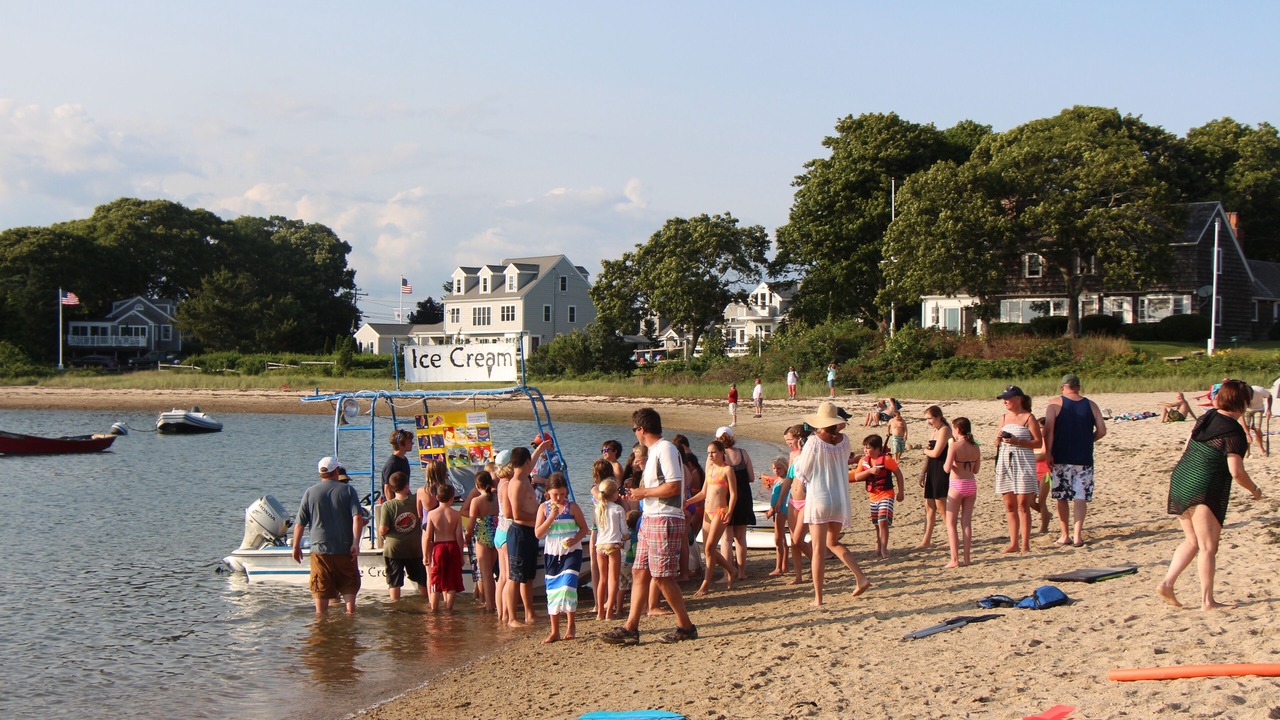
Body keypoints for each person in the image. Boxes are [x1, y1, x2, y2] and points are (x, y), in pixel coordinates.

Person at [1158, 379, 1263, 611]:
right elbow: (1236, 472)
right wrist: (1254, 490)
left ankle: (1167, 584)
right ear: (1243, 403)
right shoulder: (1234, 431)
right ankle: (1208, 601)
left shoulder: (1208, 417)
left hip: (1181, 479)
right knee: (1208, 547)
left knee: (1193, 541)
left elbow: (1188, 446)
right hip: (1202, 487)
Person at [601, 407, 697, 645]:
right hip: (652, 517)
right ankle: (631, 627)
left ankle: (686, 626)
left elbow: (674, 486)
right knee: (639, 571)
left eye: (634, 429)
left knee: (662, 576)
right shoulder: (656, 451)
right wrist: (642, 494)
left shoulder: (665, 448)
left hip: (664, 517)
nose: (634, 433)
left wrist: (643, 492)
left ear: (641, 429)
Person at [792, 402, 871, 606]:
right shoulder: (844, 441)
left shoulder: (813, 442)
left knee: (818, 549)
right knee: (832, 542)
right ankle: (860, 577)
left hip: (819, 496)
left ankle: (818, 598)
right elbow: (843, 463)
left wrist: (799, 457)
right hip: (839, 497)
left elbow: (803, 472)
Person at [292, 456, 366, 614]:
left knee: (320, 595)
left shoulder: (310, 492)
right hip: (345, 550)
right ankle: (350, 630)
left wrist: (296, 546)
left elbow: (299, 524)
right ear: (336, 471)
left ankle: (321, 632)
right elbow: (358, 517)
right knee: (349, 590)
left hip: (320, 551)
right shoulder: (347, 490)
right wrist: (355, 543)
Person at [1044, 374, 1108, 548]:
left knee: (1062, 497)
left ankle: (1065, 534)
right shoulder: (1091, 405)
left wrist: (1048, 452)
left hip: (1061, 456)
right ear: (1078, 387)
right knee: (1081, 497)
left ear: (1063, 387)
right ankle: (1078, 535)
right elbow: (1102, 430)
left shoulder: (1055, 404)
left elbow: (1048, 430)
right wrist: (1089, 440)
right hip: (1084, 456)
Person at [535, 473, 588, 643]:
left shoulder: (572, 507)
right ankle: (555, 631)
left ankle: (571, 625)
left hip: (572, 552)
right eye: (555, 494)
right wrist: (551, 516)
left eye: (562, 494)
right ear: (548, 492)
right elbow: (538, 533)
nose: (559, 497)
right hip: (552, 552)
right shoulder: (543, 508)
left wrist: (576, 539)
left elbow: (584, 529)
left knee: (567, 587)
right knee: (552, 592)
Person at [684, 440, 738, 596]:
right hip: (708, 511)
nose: (711, 455)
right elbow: (703, 493)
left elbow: (734, 493)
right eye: (708, 453)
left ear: (722, 452)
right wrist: (687, 502)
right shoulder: (710, 470)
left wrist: (730, 511)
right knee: (709, 550)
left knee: (709, 548)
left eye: (713, 452)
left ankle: (705, 584)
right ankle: (731, 569)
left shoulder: (727, 470)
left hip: (720, 511)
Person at [994, 386, 1043, 555]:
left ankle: (1025, 544)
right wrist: (1000, 438)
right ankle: (1013, 542)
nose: (1005, 402)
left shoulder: (1029, 417)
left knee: (1023, 504)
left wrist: (1018, 442)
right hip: (1006, 461)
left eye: (1007, 399)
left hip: (1023, 462)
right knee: (1009, 504)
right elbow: (996, 442)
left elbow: (1038, 443)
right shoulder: (1004, 417)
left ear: (1018, 399)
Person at [851, 435, 904, 559]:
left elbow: (898, 474)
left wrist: (901, 492)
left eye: (868, 448)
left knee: (882, 522)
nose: (865, 450)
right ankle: (878, 549)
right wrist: (869, 471)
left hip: (887, 495)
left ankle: (884, 550)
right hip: (873, 497)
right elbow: (857, 476)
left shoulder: (886, 460)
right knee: (876, 524)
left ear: (877, 449)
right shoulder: (863, 461)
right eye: (864, 447)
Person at [503, 446, 540, 627]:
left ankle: (529, 614)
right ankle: (512, 618)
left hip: (530, 533)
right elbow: (516, 514)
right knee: (515, 577)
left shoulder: (525, 477)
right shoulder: (517, 482)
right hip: (520, 532)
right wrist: (540, 517)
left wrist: (541, 448)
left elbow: (532, 460)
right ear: (525, 462)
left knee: (528, 577)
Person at [377, 471, 426, 602]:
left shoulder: (388, 505)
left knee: (394, 581)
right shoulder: (415, 500)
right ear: (407, 486)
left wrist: (384, 534)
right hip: (413, 548)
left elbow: (383, 529)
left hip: (394, 549)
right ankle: (426, 603)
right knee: (421, 579)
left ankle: (395, 607)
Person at [716, 426, 756, 581]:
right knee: (741, 538)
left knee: (726, 538)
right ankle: (741, 572)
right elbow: (751, 477)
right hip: (744, 497)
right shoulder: (742, 453)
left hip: (727, 498)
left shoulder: (719, 456)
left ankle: (728, 573)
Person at [776, 424, 812, 584]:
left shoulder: (809, 453)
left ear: (799, 438)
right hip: (792, 500)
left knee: (798, 539)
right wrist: (779, 500)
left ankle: (818, 562)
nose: (788, 443)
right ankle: (798, 576)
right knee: (793, 541)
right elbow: (788, 479)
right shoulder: (792, 455)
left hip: (807, 500)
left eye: (790, 440)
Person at [943, 418, 980, 569]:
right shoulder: (975, 446)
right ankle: (967, 558)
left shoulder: (955, 446)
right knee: (966, 522)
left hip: (957, 485)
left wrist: (953, 463)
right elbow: (976, 470)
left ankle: (954, 559)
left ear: (957, 429)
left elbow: (946, 468)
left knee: (951, 523)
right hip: (971, 484)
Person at [914, 406, 953, 550]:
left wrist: (924, 450)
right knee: (929, 506)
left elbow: (936, 453)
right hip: (932, 469)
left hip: (941, 470)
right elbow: (929, 456)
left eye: (930, 418)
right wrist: (923, 472)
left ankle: (951, 538)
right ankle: (926, 540)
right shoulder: (934, 431)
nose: (928, 422)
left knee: (941, 506)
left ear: (938, 417)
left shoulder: (945, 430)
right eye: (927, 419)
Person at [594, 479, 629, 621]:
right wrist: (626, 538)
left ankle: (600, 611)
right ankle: (609, 612)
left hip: (600, 546)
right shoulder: (618, 509)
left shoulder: (598, 508)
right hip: (613, 545)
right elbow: (624, 531)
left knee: (602, 579)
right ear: (614, 494)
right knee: (613, 579)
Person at [465, 470, 499, 613]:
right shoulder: (497, 498)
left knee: (485, 574)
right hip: (495, 534)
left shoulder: (476, 501)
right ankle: (496, 603)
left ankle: (490, 605)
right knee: (493, 573)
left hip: (482, 537)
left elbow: (471, 525)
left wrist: (467, 536)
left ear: (477, 485)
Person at [762, 455, 790, 577]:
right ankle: (784, 566)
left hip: (781, 510)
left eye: (779, 468)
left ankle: (779, 567)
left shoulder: (785, 481)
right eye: (774, 468)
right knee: (782, 539)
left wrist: (772, 510)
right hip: (776, 510)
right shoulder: (778, 480)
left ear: (784, 468)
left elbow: (780, 499)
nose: (776, 470)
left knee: (778, 540)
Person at [381, 429, 414, 501]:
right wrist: (393, 506)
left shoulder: (404, 460)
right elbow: (387, 488)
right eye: (409, 442)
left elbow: (406, 485)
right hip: (393, 503)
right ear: (400, 444)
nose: (412, 443)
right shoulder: (392, 464)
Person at [1244, 385, 1272, 456]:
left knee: (1257, 428)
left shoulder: (1260, 390)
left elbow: (1269, 396)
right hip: (1246, 410)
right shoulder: (1241, 394)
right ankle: (1248, 451)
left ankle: (1261, 449)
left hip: (1258, 409)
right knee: (1246, 429)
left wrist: (1269, 409)